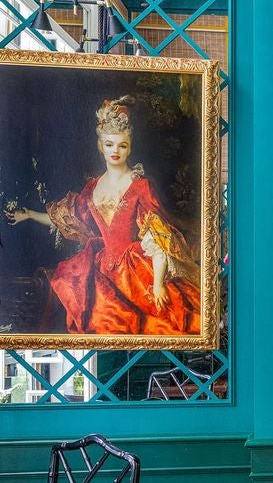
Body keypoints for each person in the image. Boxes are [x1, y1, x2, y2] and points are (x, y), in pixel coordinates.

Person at [4, 95, 201, 335]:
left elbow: (158, 238)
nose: (115, 151)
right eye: (109, 144)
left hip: (137, 268)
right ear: (101, 146)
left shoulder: (141, 186)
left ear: (130, 148)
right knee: (93, 311)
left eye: (122, 145)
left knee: (158, 320)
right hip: (101, 270)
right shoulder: (92, 188)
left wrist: (158, 283)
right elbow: (67, 216)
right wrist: (30, 214)